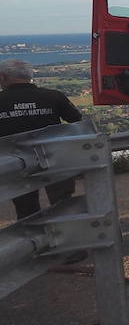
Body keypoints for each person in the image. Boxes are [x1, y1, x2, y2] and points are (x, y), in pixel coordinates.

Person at [1, 59, 84, 219]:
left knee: (26, 209)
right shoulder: (54, 96)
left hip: (16, 164)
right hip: (54, 158)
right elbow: (78, 123)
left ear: (3, 77)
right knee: (63, 204)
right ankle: (67, 236)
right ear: (30, 76)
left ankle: (35, 241)